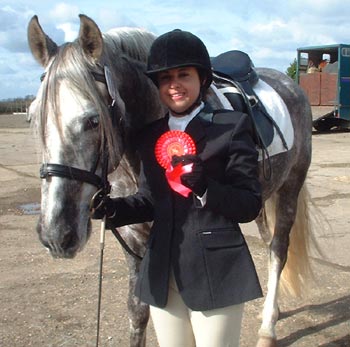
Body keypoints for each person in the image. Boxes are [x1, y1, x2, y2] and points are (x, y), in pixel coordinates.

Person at [91, 29, 262, 347]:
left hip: (216, 270)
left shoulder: (231, 127)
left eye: (184, 74)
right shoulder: (148, 136)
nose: (174, 85)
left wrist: (205, 188)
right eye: (165, 78)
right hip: (161, 272)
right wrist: (115, 210)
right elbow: (149, 200)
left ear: (202, 79)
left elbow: (250, 204)